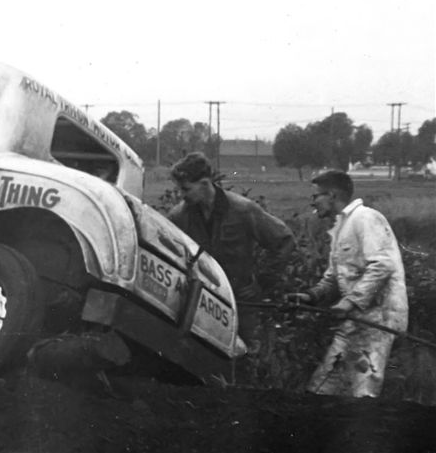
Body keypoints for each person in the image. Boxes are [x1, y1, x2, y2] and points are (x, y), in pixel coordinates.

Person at [284, 170, 408, 397]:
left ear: (331, 195)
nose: (313, 202)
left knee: (363, 389)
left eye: (316, 196)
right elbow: (334, 276)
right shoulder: (341, 227)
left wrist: (350, 302)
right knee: (323, 386)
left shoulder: (365, 218)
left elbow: (382, 265)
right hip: (356, 321)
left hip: (378, 320)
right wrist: (312, 296)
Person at [167, 152, 294, 352]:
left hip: (243, 302)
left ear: (204, 183)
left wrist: (264, 282)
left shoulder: (243, 210)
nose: (182, 195)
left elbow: (283, 241)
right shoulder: (178, 217)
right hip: (201, 302)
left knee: (247, 355)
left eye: (186, 189)